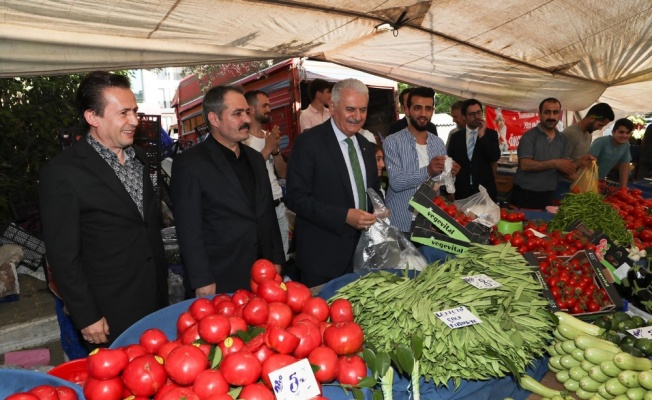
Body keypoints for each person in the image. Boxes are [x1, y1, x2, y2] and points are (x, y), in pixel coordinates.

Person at [39, 71, 168, 348]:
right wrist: (86, 315)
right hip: (109, 312)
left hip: (155, 298)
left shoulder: (140, 159)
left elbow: (144, 225)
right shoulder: (63, 173)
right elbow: (62, 256)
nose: (134, 120)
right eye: (123, 113)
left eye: (135, 111)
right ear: (93, 118)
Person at [170, 85, 284, 296]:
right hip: (220, 277)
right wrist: (202, 279)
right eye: (237, 114)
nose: (247, 120)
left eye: (247, 112)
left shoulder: (255, 159)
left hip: (262, 275)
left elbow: (267, 213)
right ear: (214, 119)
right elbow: (189, 229)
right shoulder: (190, 163)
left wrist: (276, 259)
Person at [285, 78, 380, 287]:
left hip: (362, 254)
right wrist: (344, 216)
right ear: (332, 106)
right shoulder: (308, 143)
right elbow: (295, 197)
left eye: (363, 110)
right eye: (350, 109)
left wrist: (379, 208)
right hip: (322, 258)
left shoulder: (365, 146)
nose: (357, 117)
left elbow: (372, 190)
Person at [384, 87, 460, 234]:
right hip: (400, 223)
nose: (423, 114)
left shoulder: (438, 143)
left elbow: (440, 183)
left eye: (428, 108)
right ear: (407, 110)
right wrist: (428, 170)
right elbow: (396, 182)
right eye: (418, 108)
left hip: (429, 222)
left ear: (432, 111)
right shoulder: (392, 142)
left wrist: (451, 174)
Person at [511, 98, 593, 209]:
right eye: (547, 112)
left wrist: (580, 163)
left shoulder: (562, 139)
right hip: (525, 194)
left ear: (559, 114)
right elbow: (525, 165)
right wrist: (554, 163)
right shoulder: (529, 136)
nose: (551, 117)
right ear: (539, 114)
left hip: (548, 195)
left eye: (555, 112)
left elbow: (563, 169)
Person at [243, 90, 290, 261]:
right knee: (265, 261)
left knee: (282, 258)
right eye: (265, 105)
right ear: (251, 109)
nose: (269, 109)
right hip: (260, 209)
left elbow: (283, 173)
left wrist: (276, 152)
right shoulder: (243, 140)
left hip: (279, 205)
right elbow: (247, 172)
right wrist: (267, 149)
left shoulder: (269, 137)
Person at [447, 99, 501, 201]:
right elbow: (450, 163)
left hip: (485, 191)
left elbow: (494, 157)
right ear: (464, 116)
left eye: (479, 112)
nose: (476, 117)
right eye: (472, 114)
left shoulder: (490, 134)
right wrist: (450, 189)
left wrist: (482, 135)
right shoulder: (456, 137)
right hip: (462, 191)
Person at [590, 118, 633, 187]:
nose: (624, 135)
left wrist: (623, 188)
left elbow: (624, 165)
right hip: (586, 179)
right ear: (613, 132)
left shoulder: (626, 144)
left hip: (599, 181)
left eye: (627, 133)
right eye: (621, 132)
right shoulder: (601, 142)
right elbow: (586, 162)